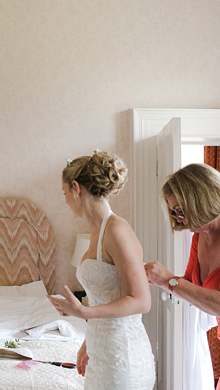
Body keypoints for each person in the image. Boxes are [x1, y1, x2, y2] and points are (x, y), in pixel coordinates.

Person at [48, 151, 155, 390]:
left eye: (64, 193)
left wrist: (83, 312)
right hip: (102, 353)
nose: (65, 201)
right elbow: (107, 298)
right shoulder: (98, 231)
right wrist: (88, 343)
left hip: (123, 356)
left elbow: (141, 301)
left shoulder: (117, 230)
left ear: (76, 188)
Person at [145, 163, 220, 390]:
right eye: (173, 212)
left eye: (180, 210)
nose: (178, 218)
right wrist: (154, 279)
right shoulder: (201, 236)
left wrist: (168, 280)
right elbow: (188, 284)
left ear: (200, 200)